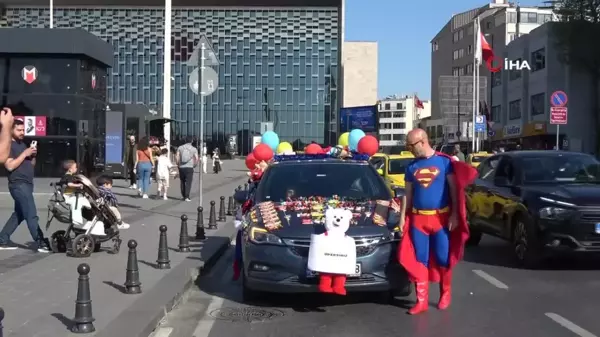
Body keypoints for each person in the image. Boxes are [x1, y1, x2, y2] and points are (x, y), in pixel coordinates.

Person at [399, 128, 476, 315]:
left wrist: (455, 215)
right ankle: (422, 301)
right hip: (418, 219)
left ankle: (445, 293)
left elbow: (454, 190)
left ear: (422, 141)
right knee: (420, 260)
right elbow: (407, 194)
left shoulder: (444, 162)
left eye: (411, 145)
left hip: (440, 219)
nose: (409, 148)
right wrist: (402, 217)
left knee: (443, 257)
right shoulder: (411, 167)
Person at [0, 119, 50, 252]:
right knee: (31, 213)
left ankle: (3, 239)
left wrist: (32, 155)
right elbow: (10, 166)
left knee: (20, 214)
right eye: (19, 130)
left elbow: (30, 165)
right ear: (10, 130)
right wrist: (25, 154)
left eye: (23, 130)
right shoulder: (8, 145)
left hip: (26, 184)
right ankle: (40, 242)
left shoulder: (22, 145)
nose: (22, 133)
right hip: (18, 184)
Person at [175, 137, 198, 201]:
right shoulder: (194, 149)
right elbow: (196, 158)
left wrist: (178, 164)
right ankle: (187, 196)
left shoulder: (180, 147)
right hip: (190, 167)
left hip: (181, 167)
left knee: (182, 181)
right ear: (192, 141)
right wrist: (194, 165)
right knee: (188, 182)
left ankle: (183, 195)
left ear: (185, 141)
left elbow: (177, 157)